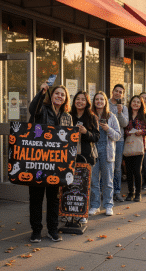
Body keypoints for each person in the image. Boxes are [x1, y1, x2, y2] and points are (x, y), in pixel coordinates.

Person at [28, 82, 73, 243]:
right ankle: (36, 231)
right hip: (38, 161)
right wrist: (41, 91)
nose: (59, 96)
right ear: (51, 95)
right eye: (57, 93)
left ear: (66, 98)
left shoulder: (67, 117)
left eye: (62, 95)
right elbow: (32, 109)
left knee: (54, 198)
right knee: (36, 197)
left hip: (57, 164)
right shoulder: (42, 110)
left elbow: (69, 141)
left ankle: (52, 230)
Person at [89, 91, 121, 217]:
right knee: (94, 180)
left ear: (105, 102)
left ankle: (108, 205)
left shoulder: (111, 116)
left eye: (102, 99)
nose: (99, 101)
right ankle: (95, 205)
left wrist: (108, 129)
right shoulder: (90, 116)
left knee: (108, 180)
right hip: (93, 151)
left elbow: (118, 136)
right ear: (94, 101)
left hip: (107, 151)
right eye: (97, 99)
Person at [71, 91, 100, 224]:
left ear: (87, 102)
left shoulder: (92, 117)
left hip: (87, 156)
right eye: (78, 99)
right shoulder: (69, 115)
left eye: (83, 99)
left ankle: (83, 212)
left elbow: (96, 137)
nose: (80, 102)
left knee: (85, 185)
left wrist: (85, 132)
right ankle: (70, 211)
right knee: (71, 185)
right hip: (70, 156)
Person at [124, 96, 146, 202]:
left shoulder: (145, 116)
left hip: (139, 145)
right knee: (129, 171)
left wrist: (142, 132)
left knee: (137, 170)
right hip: (127, 145)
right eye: (134, 101)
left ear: (141, 104)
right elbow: (121, 127)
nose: (136, 104)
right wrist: (126, 132)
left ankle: (138, 193)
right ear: (130, 103)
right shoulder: (126, 114)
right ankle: (130, 192)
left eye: (138, 102)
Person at [108, 84, 129, 202]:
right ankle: (105, 190)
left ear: (123, 95)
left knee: (117, 168)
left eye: (120, 92)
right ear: (112, 91)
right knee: (105, 167)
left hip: (119, 140)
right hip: (106, 140)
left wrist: (120, 113)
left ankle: (117, 191)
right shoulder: (106, 104)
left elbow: (125, 124)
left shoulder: (124, 108)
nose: (118, 93)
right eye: (116, 91)